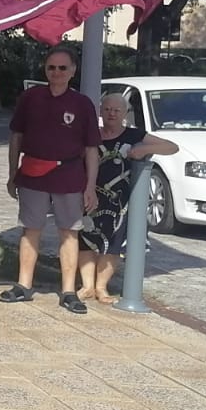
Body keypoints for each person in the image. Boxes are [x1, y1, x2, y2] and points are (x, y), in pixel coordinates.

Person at [3, 46, 101, 314]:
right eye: (51, 67)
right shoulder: (31, 98)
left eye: (62, 68)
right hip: (33, 173)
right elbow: (16, 137)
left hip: (69, 175)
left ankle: (68, 291)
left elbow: (91, 148)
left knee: (69, 232)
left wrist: (90, 186)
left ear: (73, 71)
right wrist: (12, 173)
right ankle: (23, 285)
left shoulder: (82, 104)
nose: (56, 72)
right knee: (30, 229)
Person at [79, 91, 177, 307]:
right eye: (107, 109)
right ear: (100, 112)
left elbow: (172, 147)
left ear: (125, 113)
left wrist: (144, 149)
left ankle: (101, 287)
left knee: (113, 243)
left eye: (116, 110)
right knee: (85, 238)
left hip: (122, 200)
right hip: (90, 193)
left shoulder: (134, 135)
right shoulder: (92, 134)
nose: (111, 114)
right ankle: (87, 286)